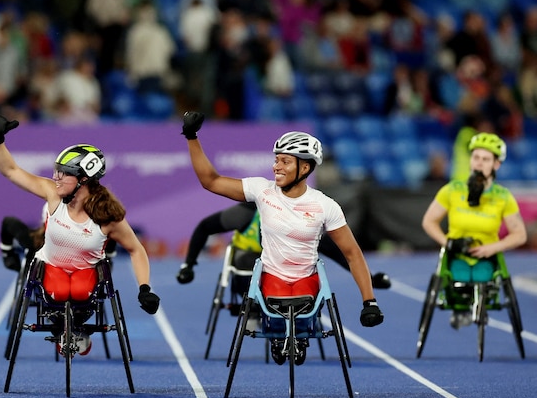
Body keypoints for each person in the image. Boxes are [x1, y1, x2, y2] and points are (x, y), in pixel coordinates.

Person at [179, 111, 384, 365]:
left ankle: (296, 334)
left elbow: (352, 254)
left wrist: (369, 301)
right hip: (271, 279)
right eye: (276, 160)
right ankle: (279, 334)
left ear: (305, 167)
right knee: (277, 309)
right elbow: (211, 181)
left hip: (307, 281)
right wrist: (191, 137)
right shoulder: (262, 190)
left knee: (302, 308)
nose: (276, 166)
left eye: (285, 161)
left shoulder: (325, 206)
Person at [0, 113, 159, 355]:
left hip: (86, 274)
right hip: (51, 268)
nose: (55, 177)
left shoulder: (108, 216)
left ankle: (77, 328)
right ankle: (63, 329)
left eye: (63, 173)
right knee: (59, 292)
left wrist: (144, 288)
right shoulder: (53, 194)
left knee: (79, 292)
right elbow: (10, 170)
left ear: (83, 180)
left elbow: (136, 249)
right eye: (56, 171)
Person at [421, 132, 527, 329]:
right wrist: (447, 243)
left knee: (481, 276)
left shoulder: (503, 196)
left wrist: (493, 248)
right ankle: (461, 308)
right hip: (456, 256)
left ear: (496, 165)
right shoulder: (452, 190)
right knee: (460, 278)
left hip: (486, 257)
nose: (479, 163)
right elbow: (428, 221)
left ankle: (480, 307)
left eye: (486, 159)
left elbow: (520, 234)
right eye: (476, 157)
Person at [176, 202, 392, 293]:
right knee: (250, 262)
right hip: (249, 261)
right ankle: (252, 309)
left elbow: (336, 251)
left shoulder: (298, 216)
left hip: (285, 261)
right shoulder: (246, 213)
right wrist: (189, 265)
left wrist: (369, 280)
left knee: (315, 252)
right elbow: (205, 227)